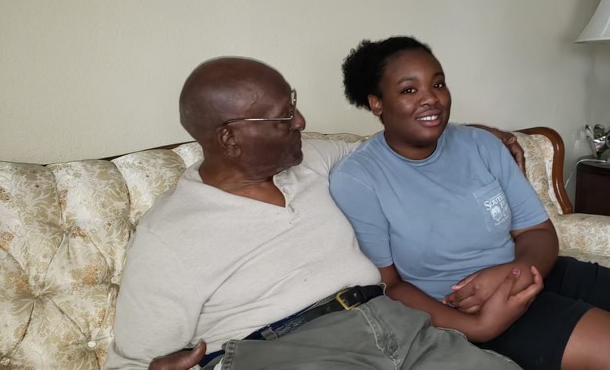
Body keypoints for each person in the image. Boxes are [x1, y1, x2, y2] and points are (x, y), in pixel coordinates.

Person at [104, 56, 536, 370]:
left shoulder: (312, 158)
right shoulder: (169, 234)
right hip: (289, 350)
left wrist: (483, 135)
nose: (302, 122)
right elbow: (131, 362)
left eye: (294, 105)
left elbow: (394, 146)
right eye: (283, 117)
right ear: (230, 138)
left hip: (399, 326)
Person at [329, 36, 610, 370]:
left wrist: (518, 269)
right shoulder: (359, 178)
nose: (431, 99)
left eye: (438, 83)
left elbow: (536, 231)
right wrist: (479, 327)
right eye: (409, 90)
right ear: (376, 103)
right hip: (466, 306)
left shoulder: (480, 144)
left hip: (532, 270)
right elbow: (389, 286)